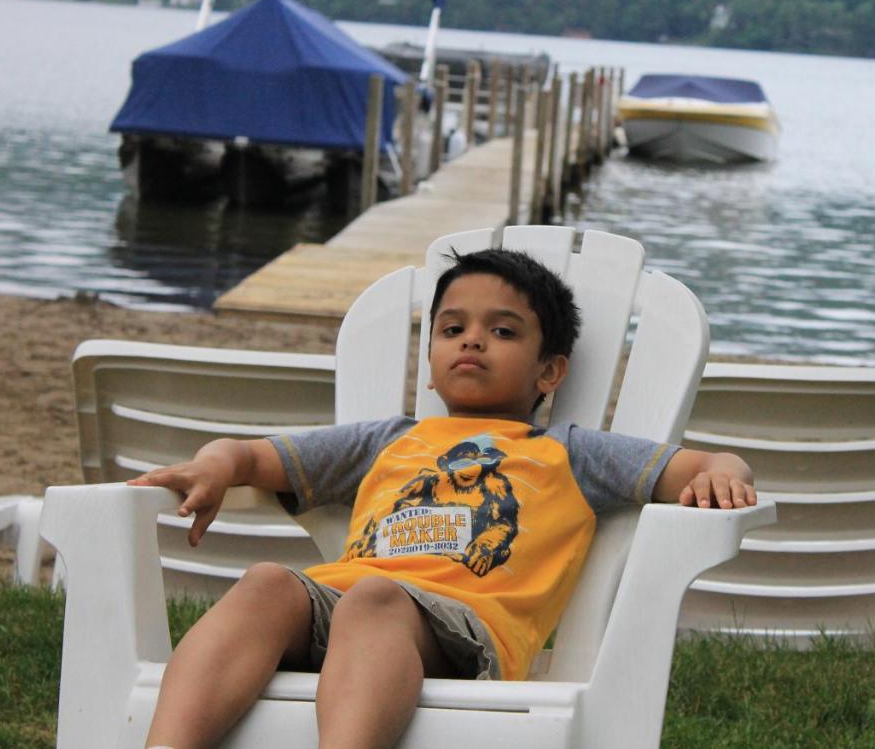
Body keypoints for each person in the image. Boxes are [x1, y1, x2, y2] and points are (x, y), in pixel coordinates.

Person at [129, 247, 757, 749]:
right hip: (346, 609)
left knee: (374, 597)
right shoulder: (386, 440)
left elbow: (698, 463)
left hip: (465, 632)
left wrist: (720, 472)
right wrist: (213, 465)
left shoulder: (569, 451)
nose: (472, 341)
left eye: (503, 331)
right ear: (430, 363)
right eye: (453, 328)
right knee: (268, 581)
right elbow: (252, 455)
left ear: (550, 372)